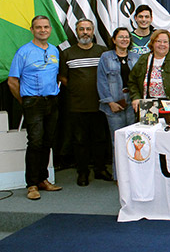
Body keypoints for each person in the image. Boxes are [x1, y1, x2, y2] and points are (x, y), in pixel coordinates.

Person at [8, 16, 63, 200]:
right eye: (38, 27)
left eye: (46, 27)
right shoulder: (23, 52)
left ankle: (43, 180)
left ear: (50, 30)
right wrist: (25, 101)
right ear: (32, 30)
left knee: (48, 142)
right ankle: (31, 184)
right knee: (35, 142)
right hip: (33, 102)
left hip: (52, 101)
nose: (43, 30)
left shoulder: (55, 50)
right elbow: (12, 81)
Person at [58, 18, 110, 187]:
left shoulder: (103, 52)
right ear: (77, 31)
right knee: (80, 141)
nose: (85, 32)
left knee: (100, 139)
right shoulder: (67, 53)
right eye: (82, 29)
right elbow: (63, 77)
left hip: (100, 103)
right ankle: (82, 172)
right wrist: (77, 88)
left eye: (88, 29)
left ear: (93, 31)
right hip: (77, 105)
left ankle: (100, 169)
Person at [97, 27, 140, 181]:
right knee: (118, 142)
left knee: (133, 140)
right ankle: (119, 177)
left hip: (132, 103)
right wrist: (109, 102)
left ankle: (133, 175)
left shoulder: (135, 57)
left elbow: (140, 80)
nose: (124, 40)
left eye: (127, 37)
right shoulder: (106, 57)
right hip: (114, 104)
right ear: (114, 40)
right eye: (121, 37)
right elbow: (101, 81)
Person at [129, 29, 170, 111]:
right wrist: (135, 98)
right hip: (147, 104)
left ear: (169, 44)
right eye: (158, 41)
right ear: (153, 43)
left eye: (165, 42)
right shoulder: (144, 59)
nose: (162, 44)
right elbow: (132, 82)